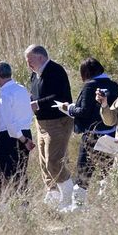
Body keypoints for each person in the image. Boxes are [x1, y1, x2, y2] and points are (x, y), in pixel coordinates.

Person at [65, 58, 118, 208]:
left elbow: (83, 111)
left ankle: (78, 206)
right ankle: (106, 204)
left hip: (92, 136)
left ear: (87, 72)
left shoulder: (90, 86)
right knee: (106, 171)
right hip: (110, 134)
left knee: (84, 171)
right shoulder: (114, 85)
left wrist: (68, 108)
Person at [26, 44, 75, 205]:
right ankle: (53, 195)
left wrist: (37, 104)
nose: (28, 64)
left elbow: (60, 96)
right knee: (43, 164)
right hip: (41, 123)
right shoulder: (34, 75)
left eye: (30, 60)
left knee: (53, 161)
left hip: (58, 123)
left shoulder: (55, 71)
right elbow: (33, 95)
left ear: (41, 57)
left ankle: (70, 196)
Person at [0, 61, 35, 189]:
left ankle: (5, 203)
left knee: (2, 173)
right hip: (25, 132)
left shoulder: (5, 93)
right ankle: (22, 202)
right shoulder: (21, 89)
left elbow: (10, 123)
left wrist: (24, 140)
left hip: (11, 137)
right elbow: (19, 110)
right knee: (20, 171)